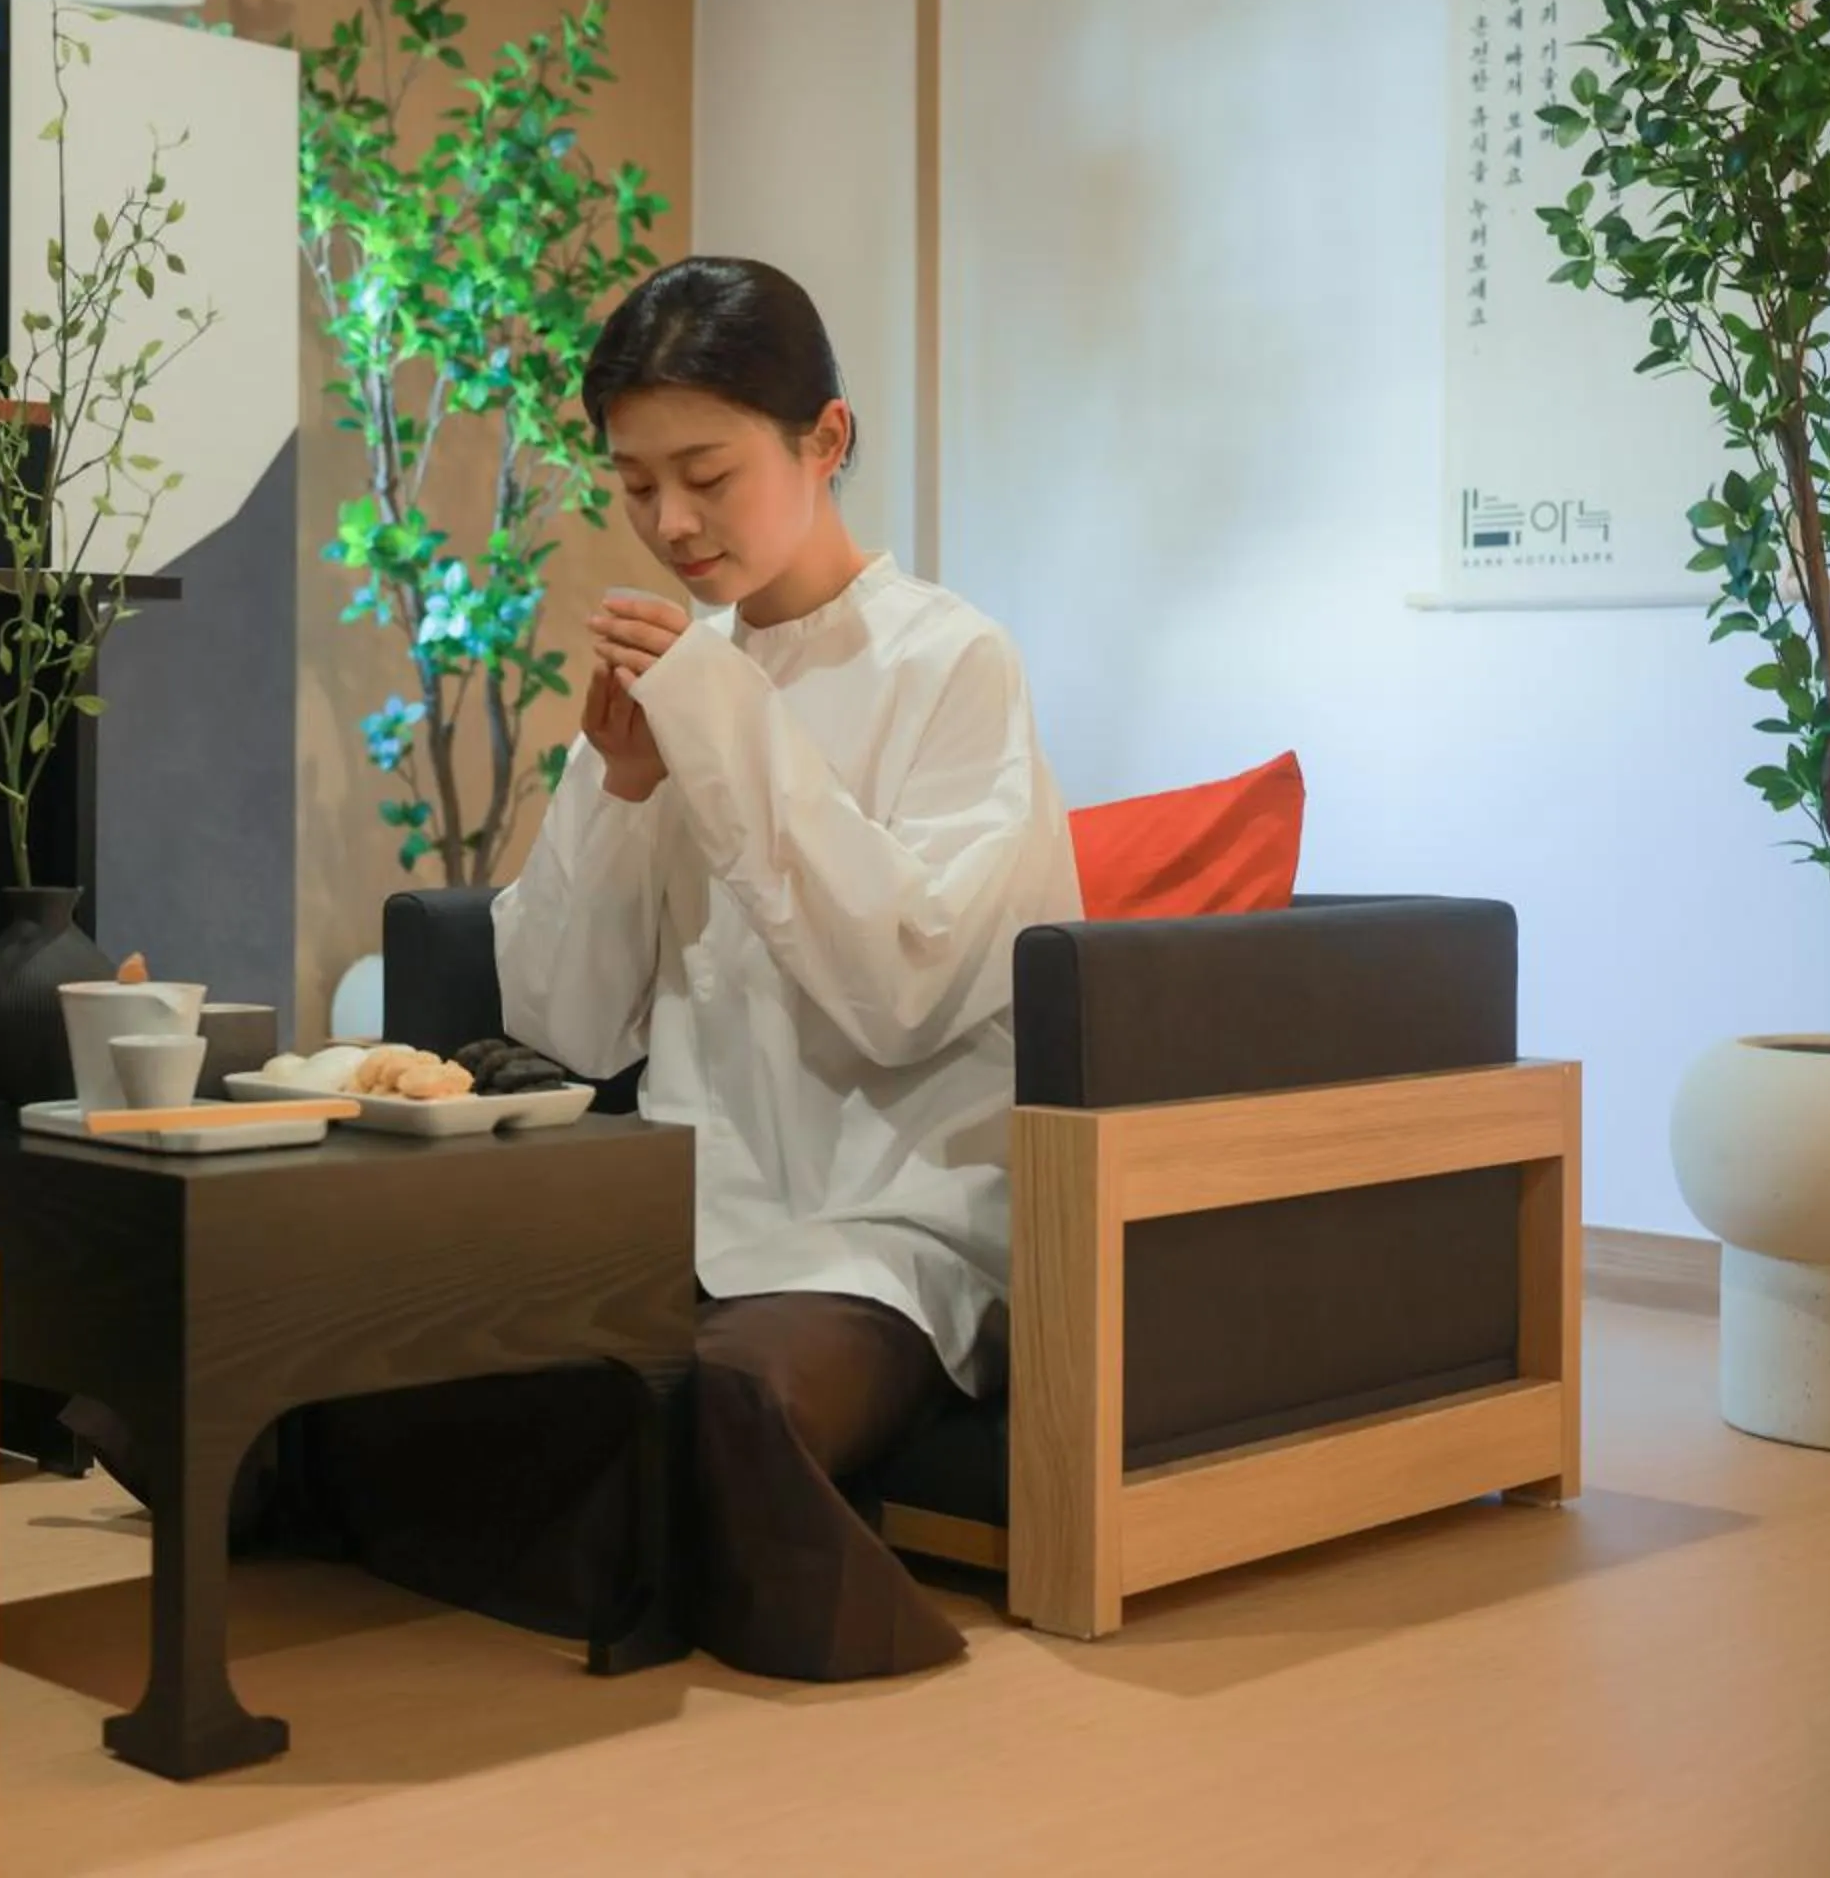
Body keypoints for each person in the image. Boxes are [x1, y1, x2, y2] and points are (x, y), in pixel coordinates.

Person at [71, 255, 1080, 1683]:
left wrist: (721, 729)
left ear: (827, 442)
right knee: (362, 1318)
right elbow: (567, 1019)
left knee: (730, 1402)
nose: (669, 521)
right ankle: (426, 1501)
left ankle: (328, 1492)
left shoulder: (951, 664)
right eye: (635, 482)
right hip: (673, 1208)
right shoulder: (684, 678)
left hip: (881, 1230)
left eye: (708, 475)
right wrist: (616, 786)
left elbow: (905, 986)